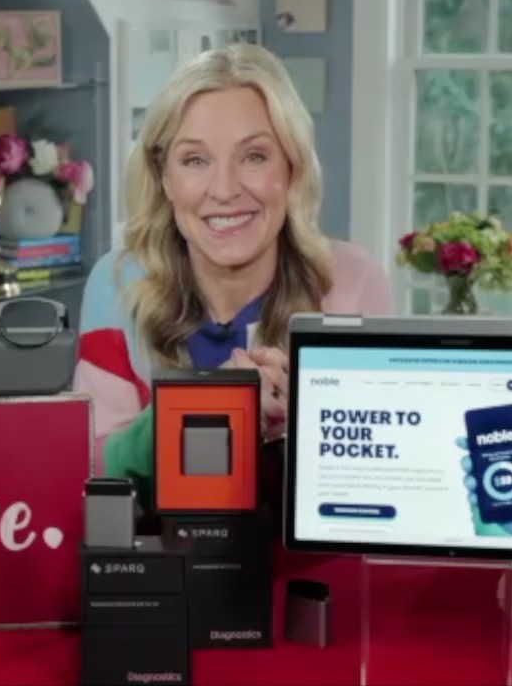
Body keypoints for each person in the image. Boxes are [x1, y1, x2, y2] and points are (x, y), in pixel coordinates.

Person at [75, 44, 393, 512]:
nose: (224, 190)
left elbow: (378, 478)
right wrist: (202, 409)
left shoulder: (352, 282)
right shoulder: (119, 282)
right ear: (164, 177)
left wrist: (299, 423)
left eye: (254, 156)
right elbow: (92, 467)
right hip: (158, 554)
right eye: (195, 160)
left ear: (292, 168)